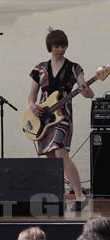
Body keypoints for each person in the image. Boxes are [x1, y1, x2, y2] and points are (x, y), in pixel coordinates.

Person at [28, 29, 94, 211]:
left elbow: (88, 93)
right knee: (50, 158)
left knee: (60, 152)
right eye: (57, 46)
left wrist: (86, 90)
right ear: (50, 47)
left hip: (63, 115)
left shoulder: (74, 67)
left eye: (63, 45)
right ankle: (57, 196)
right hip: (43, 118)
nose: (60, 49)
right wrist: (33, 106)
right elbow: (31, 96)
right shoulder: (39, 68)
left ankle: (80, 196)